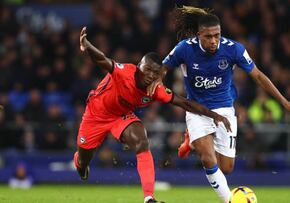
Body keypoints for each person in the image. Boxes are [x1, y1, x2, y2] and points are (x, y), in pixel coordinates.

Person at [148, 6, 290, 203]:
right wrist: (158, 79)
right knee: (208, 158)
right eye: (208, 37)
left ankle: (192, 139)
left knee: (226, 168)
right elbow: (164, 66)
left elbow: (258, 76)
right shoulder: (184, 48)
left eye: (217, 35)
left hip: (225, 109)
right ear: (199, 35)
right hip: (197, 109)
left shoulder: (234, 49)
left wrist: (284, 102)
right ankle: (230, 200)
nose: (214, 41)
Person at [74, 27, 232, 203]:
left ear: (159, 75)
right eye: (146, 69)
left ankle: (149, 198)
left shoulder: (155, 89)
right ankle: (81, 164)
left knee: (142, 141)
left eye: (154, 73)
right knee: (83, 160)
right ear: (139, 66)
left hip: (121, 116)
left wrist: (213, 115)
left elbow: (185, 102)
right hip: (95, 115)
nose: (149, 75)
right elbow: (102, 59)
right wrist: (87, 45)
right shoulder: (125, 72)